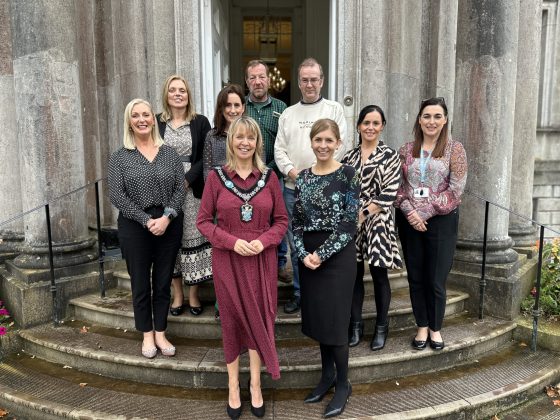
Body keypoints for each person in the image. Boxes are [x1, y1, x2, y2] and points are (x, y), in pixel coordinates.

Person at [197, 116, 288, 420]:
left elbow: (282, 221)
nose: (245, 143)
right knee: (234, 322)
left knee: (259, 319)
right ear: (231, 141)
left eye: (251, 138)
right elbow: (203, 222)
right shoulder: (216, 178)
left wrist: (264, 242)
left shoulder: (269, 178)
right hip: (228, 259)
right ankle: (233, 386)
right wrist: (230, 241)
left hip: (261, 259)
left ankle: (256, 385)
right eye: (239, 137)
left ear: (257, 142)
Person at [108, 98, 185, 359]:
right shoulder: (119, 157)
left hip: (168, 224)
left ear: (154, 119)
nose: (142, 119)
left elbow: (179, 188)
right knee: (140, 283)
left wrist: (166, 218)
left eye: (146, 114)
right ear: (129, 121)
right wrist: (144, 219)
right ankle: (147, 335)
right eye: (135, 115)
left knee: (163, 282)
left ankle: (161, 332)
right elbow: (116, 195)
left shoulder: (170, 153)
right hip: (134, 226)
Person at [293, 119, 359, 418]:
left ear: (338, 143)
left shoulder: (348, 175)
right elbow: (295, 221)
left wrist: (321, 254)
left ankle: (343, 384)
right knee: (319, 320)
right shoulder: (303, 177)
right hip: (309, 257)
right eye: (318, 140)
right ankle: (326, 376)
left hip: (338, 256)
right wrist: (302, 252)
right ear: (311, 141)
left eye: (328, 140)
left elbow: (349, 222)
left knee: (335, 322)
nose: (323, 145)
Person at [274, 57, 349, 314]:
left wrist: (319, 178)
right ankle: (299, 292)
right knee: (297, 245)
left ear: (322, 81)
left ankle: (322, 292)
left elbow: (341, 147)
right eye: (304, 79)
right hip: (294, 189)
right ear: (299, 81)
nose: (309, 84)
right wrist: (298, 175)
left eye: (314, 79)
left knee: (326, 241)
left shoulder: (334, 109)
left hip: (328, 191)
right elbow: (279, 151)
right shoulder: (288, 114)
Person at [395, 97, 467, 351]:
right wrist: (409, 213)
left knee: (435, 279)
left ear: (445, 120)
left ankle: (435, 328)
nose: (431, 121)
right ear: (419, 119)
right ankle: (421, 326)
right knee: (415, 277)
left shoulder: (454, 149)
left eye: (437, 116)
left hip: (441, 222)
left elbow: (456, 190)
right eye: (427, 116)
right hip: (409, 221)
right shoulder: (406, 149)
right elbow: (399, 188)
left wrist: (424, 213)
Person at [342, 105, 403, 350]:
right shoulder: (348, 157)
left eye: (375, 123)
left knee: (379, 275)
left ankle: (381, 326)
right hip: (353, 223)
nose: (370, 127)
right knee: (354, 275)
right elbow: (343, 189)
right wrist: (352, 214)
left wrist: (364, 212)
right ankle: (355, 326)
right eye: (366, 122)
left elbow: (390, 192)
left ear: (382, 127)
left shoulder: (390, 155)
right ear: (358, 126)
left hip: (378, 221)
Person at [157, 74, 212, 317]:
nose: (178, 94)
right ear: (166, 95)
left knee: (193, 239)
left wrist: (188, 180)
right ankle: (177, 294)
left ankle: (193, 294)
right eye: (173, 90)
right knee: (171, 242)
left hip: (192, 191)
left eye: (182, 90)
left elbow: (205, 156)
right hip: (163, 190)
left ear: (188, 95)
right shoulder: (157, 122)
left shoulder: (200, 122)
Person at [244, 59, 290, 283]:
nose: (257, 81)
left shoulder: (282, 108)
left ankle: (280, 264)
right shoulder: (240, 107)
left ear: (269, 80)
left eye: (261, 76)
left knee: (277, 219)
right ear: (247, 82)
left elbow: (285, 143)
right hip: (245, 176)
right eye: (252, 77)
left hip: (274, 175)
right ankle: (254, 259)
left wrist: (269, 169)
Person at [202, 84, 246, 181]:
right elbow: (207, 172)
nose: (233, 110)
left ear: (243, 108)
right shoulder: (212, 136)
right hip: (219, 190)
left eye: (237, 105)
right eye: (228, 105)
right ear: (221, 108)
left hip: (247, 190)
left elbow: (259, 167)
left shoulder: (252, 135)